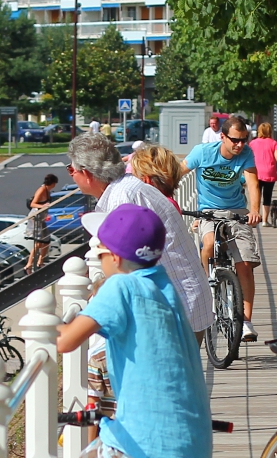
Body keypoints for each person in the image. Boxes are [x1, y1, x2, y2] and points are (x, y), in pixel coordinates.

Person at [57, 205, 213, 458]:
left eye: (100, 251)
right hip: (190, 445)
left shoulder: (118, 289)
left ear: (113, 258)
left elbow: (68, 342)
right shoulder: (165, 287)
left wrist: (64, 324)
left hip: (140, 441)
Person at [66, 133, 213, 335]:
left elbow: (122, 264)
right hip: (179, 300)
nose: (71, 175)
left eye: (71, 170)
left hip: (175, 308)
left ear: (87, 174)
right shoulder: (126, 188)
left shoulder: (122, 198)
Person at [184, 113, 265, 339]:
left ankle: (246, 321)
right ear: (223, 137)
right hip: (207, 212)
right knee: (208, 244)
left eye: (243, 140)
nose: (239, 145)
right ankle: (205, 287)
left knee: (245, 263)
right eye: (235, 140)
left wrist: (255, 210)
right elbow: (178, 172)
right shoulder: (203, 152)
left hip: (237, 211)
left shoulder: (247, 154)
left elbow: (252, 183)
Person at [249, 122, 277, 210]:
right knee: (267, 196)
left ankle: (256, 215)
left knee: (256, 194)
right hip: (269, 172)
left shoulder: (252, 143)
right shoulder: (273, 143)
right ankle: (265, 221)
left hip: (256, 172)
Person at [25, 173, 57, 272]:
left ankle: (40, 261)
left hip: (41, 218)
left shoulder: (47, 191)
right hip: (36, 217)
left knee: (46, 240)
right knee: (38, 242)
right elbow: (33, 203)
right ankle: (29, 264)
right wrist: (43, 206)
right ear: (52, 183)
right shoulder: (42, 190)